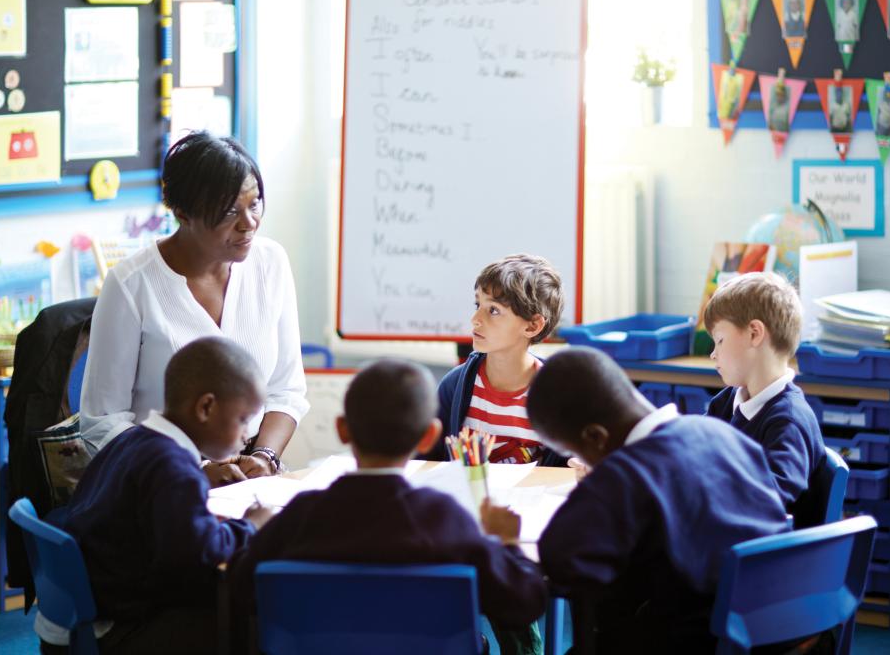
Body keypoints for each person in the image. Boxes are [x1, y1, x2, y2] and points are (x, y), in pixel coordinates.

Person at [228, 359, 548, 654]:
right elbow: (524, 602)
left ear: (342, 429)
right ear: (429, 436)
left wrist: (253, 529)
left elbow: (240, 587)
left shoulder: (302, 515)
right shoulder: (445, 518)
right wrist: (506, 543)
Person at [80, 131, 309, 486]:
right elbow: (103, 422)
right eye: (229, 211)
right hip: (159, 476)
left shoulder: (271, 263)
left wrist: (265, 457)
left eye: (255, 204)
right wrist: (194, 470)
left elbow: (286, 390)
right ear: (183, 214)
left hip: (252, 474)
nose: (248, 223)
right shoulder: (131, 284)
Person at [528, 348, 789, 652]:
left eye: (575, 452)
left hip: (692, 640)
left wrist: (503, 538)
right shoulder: (723, 433)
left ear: (596, 437)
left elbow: (552, 563)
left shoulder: (621, 478)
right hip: (774, 625)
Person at [42, 338, 274, 654]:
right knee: (246, 620)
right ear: (206, 407)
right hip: (114, 629)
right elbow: (199, 558)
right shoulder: (172, 466)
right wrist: (251, 526)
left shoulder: (133, 440)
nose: (248, 435)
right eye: (244, 420)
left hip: (79, 610)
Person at [703, 273, 826, 512]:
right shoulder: (727, 402)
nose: (713, 354)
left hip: (767, 534)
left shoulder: (788, 420)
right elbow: (699, 450)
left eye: (719, 340)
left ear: (754, 333)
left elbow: (773, 495)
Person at [429, 254, 566, 466]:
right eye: (477, 305)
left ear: (532, 326)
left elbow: (566, 468)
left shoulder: (556, 395)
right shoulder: (455, 385)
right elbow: (427, 459)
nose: (475, 320)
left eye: (493, 310)